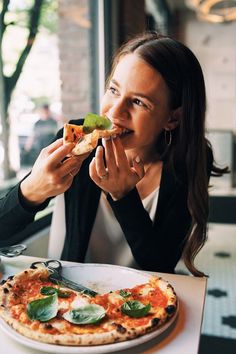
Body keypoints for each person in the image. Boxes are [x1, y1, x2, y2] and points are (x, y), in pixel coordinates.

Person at [0, 32, 228, 276]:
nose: (115, 112)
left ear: (172, 118)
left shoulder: (187, 161)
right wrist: (32, 190)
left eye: (139, 102)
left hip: (143, 300)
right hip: (71, 293)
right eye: (114, 90)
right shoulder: (76, 141)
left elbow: (161, 264)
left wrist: (123, 196)